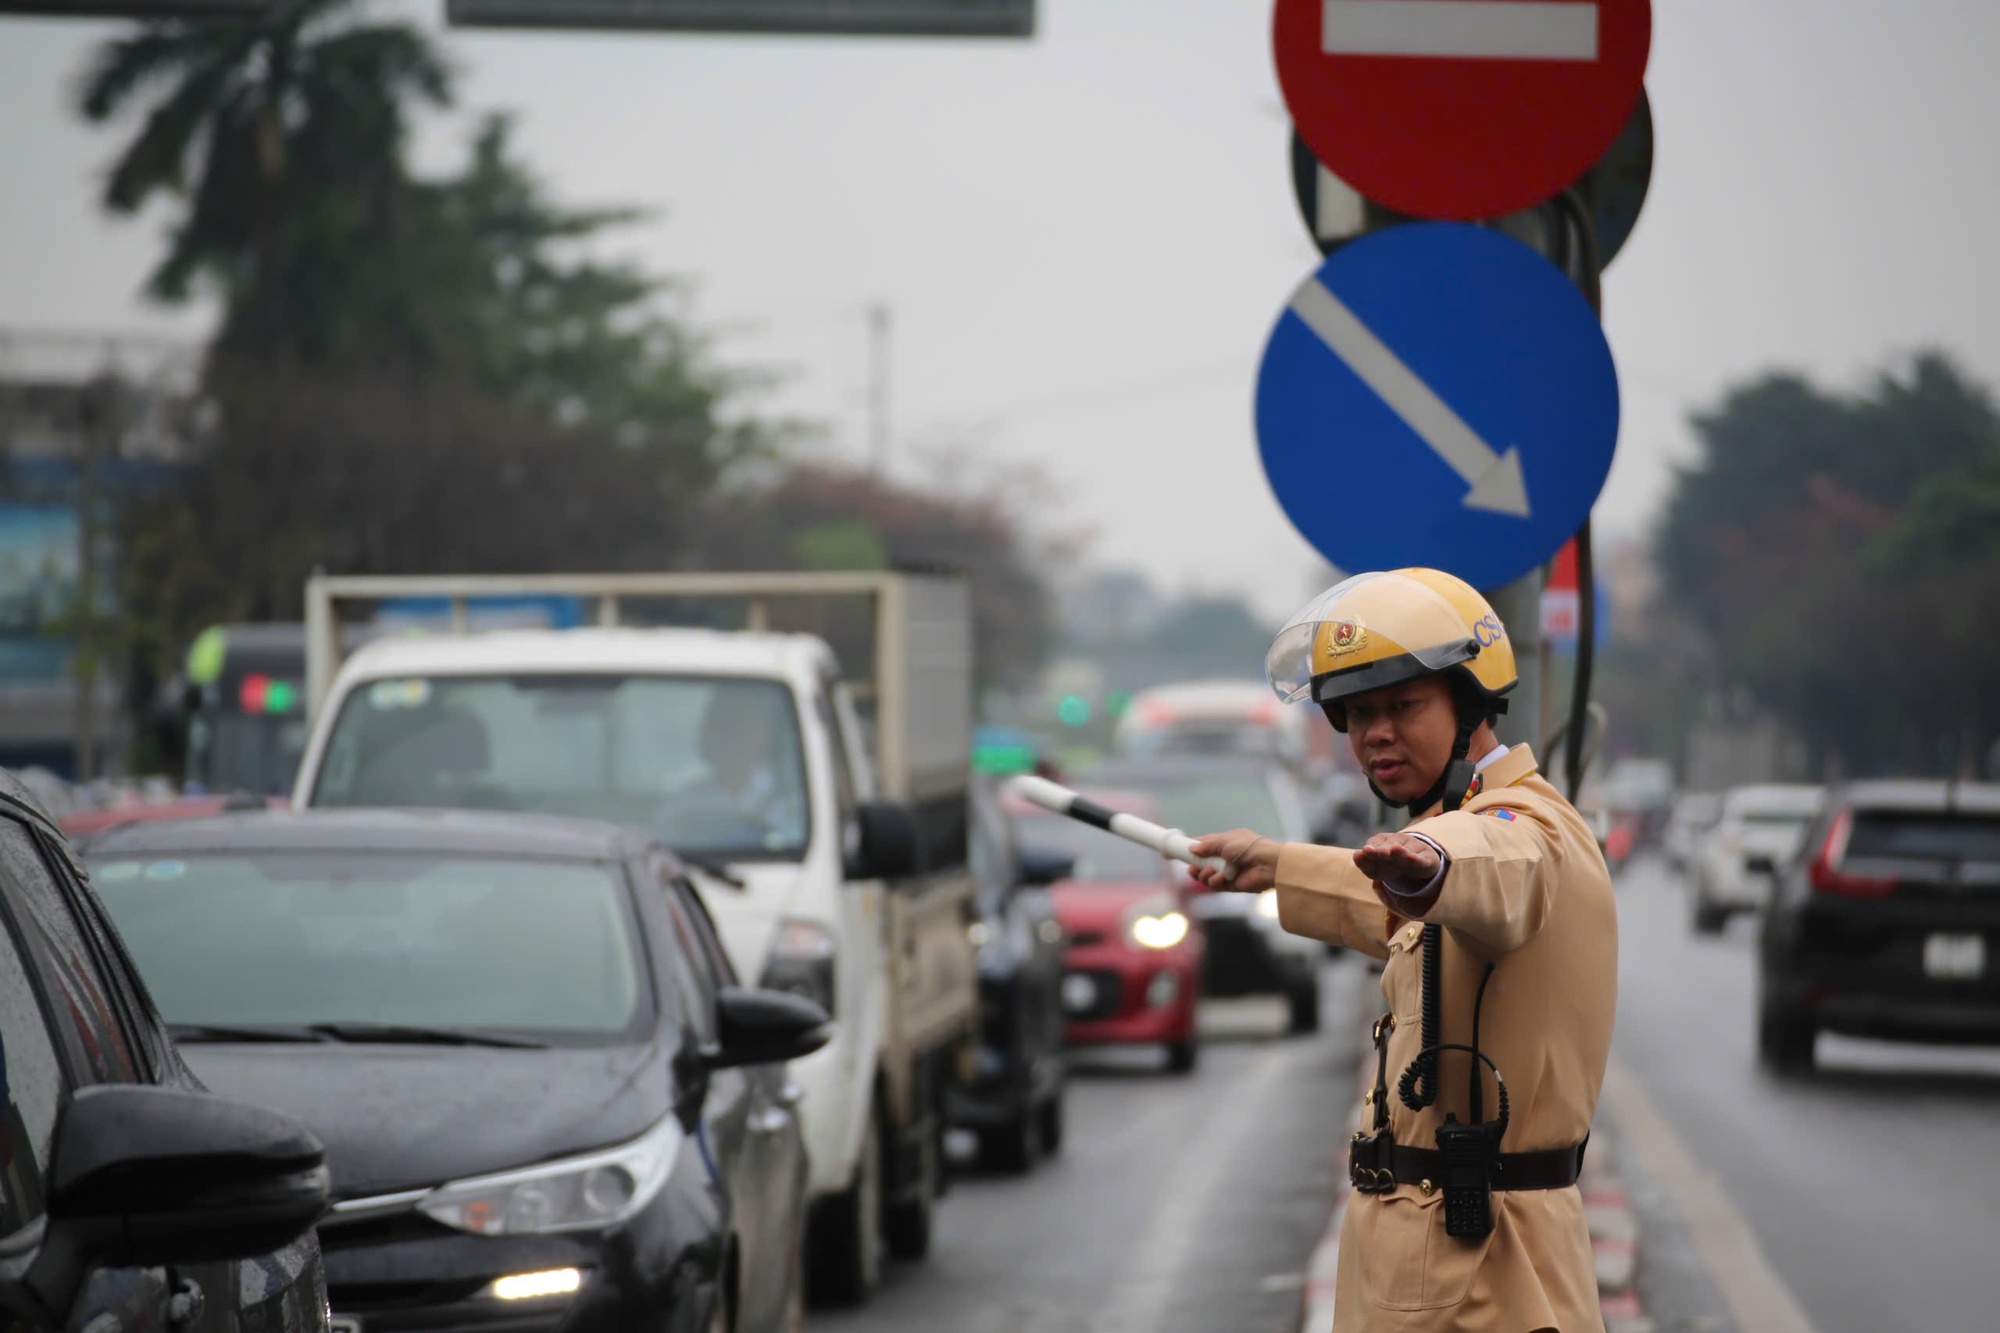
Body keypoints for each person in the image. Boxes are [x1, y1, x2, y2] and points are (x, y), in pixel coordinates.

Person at [1188, 568, 1616, 1333]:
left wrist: (1429, 857)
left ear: (1470, 703)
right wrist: (1276, 864)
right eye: (1356, 713)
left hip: (1484, 1273)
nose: (1374, 732)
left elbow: (1487, 867)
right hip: (1436, 1260)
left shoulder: (1523, 828)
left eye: (1402, 704)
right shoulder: (1441, 843)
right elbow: (1400, 911)